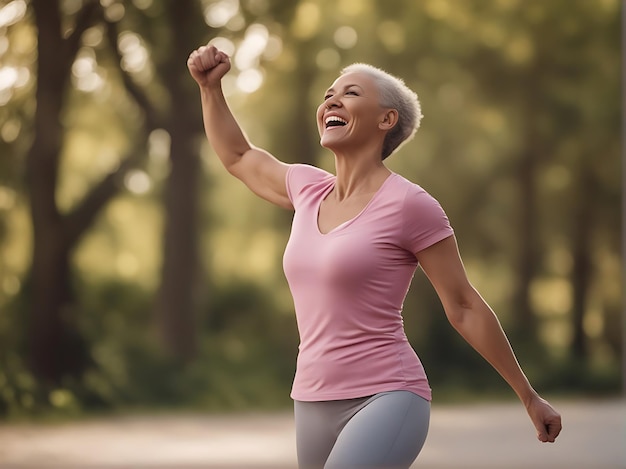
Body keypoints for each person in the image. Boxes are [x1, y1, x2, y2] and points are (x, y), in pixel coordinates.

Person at [187, 44, 562, 469]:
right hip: (310, 398)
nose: (332, 99)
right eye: (329, 93)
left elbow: (463, 306)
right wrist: (210, 89)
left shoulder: (410, 205)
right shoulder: (308, 189)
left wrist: (529, 397)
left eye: (350, 93)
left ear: (387, 120)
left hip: (387, 394)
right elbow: (238, 156)